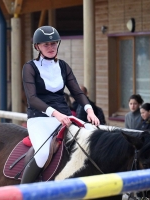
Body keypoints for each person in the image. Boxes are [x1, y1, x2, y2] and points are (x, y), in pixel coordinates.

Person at [21, 26, 99, 184]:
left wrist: (89, 110)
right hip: (39, 118)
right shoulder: (29, 68)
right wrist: (56, 114)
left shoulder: (63, 66)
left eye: (54, 43)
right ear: (37, 47)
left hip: (65, 116)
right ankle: (24, 190)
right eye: (46, 45)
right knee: (42, 154)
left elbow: (77, 91)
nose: (51, 47)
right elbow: (32, 99)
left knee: (95, 137)